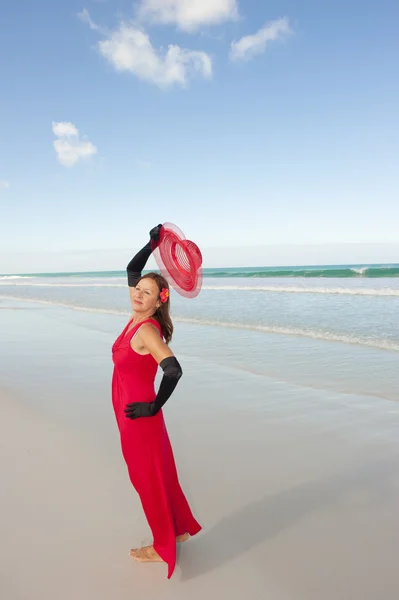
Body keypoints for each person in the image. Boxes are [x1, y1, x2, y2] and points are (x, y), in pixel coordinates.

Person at [111, 225, 202, 579]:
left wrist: (153, 407)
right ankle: (177, 530)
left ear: (157, 301)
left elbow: (174, 370)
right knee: (160, 474)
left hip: (139, 416)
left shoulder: (146, 329)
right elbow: (133, 271)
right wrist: (152, 244)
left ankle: (159, 545)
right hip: (133, 411)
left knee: (147, 480)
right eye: (137, 289)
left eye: (146, 293)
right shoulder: (137, 318)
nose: (137, 293)